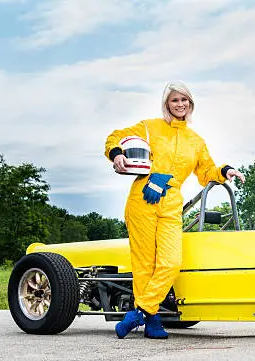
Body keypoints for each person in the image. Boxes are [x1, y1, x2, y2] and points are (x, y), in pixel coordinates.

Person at [104, 81, 245, 339]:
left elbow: (206, 171)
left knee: (171, 262)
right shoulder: (149, 127)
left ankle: (140, 312)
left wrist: (226, 171)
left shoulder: (196, 141)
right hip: (142, 198)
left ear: (190, 104)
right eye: (175, 100)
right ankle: (153, 321)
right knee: (144, 264)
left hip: (171, 203)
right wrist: (116, 154)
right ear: (166, 104)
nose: (180, 105)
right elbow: (115, 136)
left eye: (185, 100)